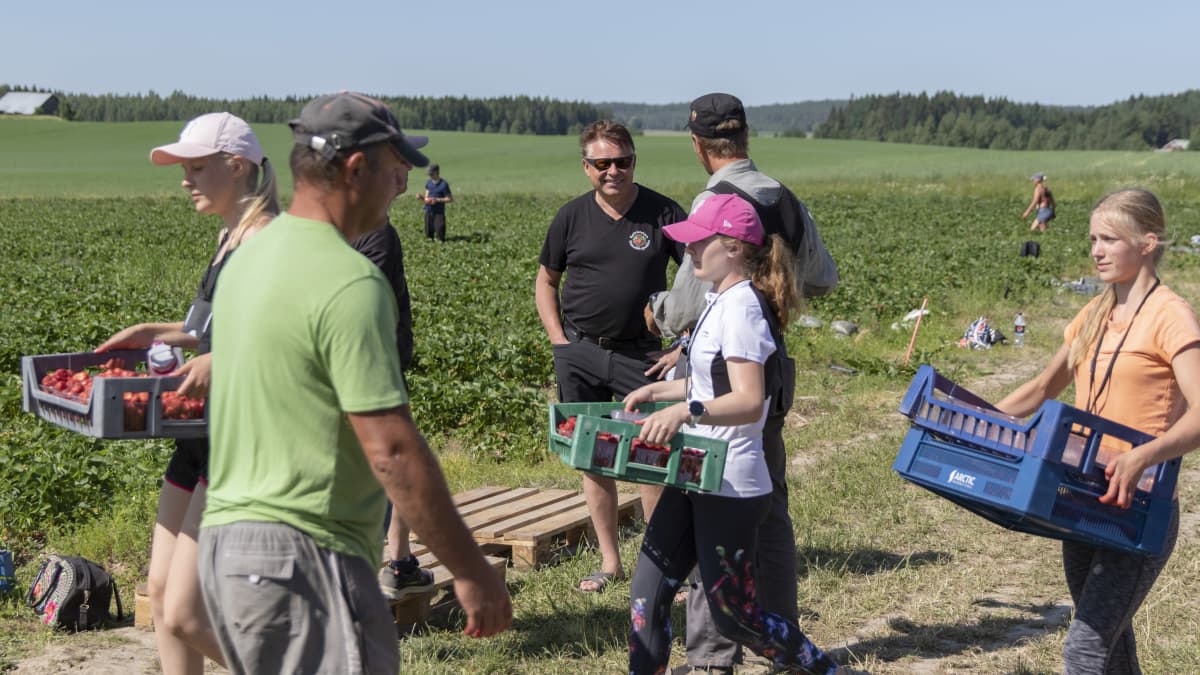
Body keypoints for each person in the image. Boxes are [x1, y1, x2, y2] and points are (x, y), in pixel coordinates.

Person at [197, 92, 511, 674]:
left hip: (229, 549)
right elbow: (390, 449)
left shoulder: (247, 260)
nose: (401, 183)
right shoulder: (350, 283)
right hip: (306, 556)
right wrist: (469, 568)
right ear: (355, 168)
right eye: (396, 168)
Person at [646, 92, 838, 672]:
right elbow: (823, 279)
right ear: (746, 139)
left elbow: (680, 308)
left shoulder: (716, 202)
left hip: (716, 385)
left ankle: (711, 657)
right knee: (769, 510)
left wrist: (657, 314)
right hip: (772, 371)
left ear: (699, 146)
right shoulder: (783, 195)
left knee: (713, 505)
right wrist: (773, 301)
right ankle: (783, 641)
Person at [96, 112, 279, 675]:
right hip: (198, 431)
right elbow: (210, 329)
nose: (184, 179)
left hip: (236, 439)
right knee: (159, 593)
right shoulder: (230, 237)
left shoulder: (270, 240)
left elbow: (285, 343)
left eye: (195, 167)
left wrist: (221, 360)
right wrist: (154, 334)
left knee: (186, 613)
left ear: (238, 166)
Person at [995, 188, 1200, 673]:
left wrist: (1143, 456)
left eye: (1109, 238)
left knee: (1084, 648)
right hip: (1080, 494)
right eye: (1093, 238)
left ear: (1147, 242)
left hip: (1138, 505)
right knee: (1110, 645)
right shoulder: (1095, 313)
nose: (1096, 250)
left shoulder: (1171, 315)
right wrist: (977, 422)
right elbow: (1043, 387)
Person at [535, 120, 686, 593]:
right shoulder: (571, 217)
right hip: (579, 350)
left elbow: (702, 278)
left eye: (622, 161)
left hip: (643, 356)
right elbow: (546, 281)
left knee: (649, 455)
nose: (613, 171)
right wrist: (559, 339)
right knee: (593, 457)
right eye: (602, 163)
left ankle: (657, 565)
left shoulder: (663, 213)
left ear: (634, 161)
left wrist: (685, 343)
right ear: (587, 167)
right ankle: (609, 562)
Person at [349, 218, 435, 600]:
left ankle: (398, 564)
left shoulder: (370, 231)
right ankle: (385, 569)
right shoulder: (373, 230)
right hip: (364, 368)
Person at [417, 163, 453, 241]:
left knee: (440, 232)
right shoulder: (429, 183)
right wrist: (422, 198)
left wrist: (437, 200)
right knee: (428, 233)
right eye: (429, 174)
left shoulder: (444, 184)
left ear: (436, 172)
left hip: (439, 212)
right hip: (428, 210)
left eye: (431, 174)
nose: (430, 176)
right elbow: (427, 198)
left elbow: (450, 199)